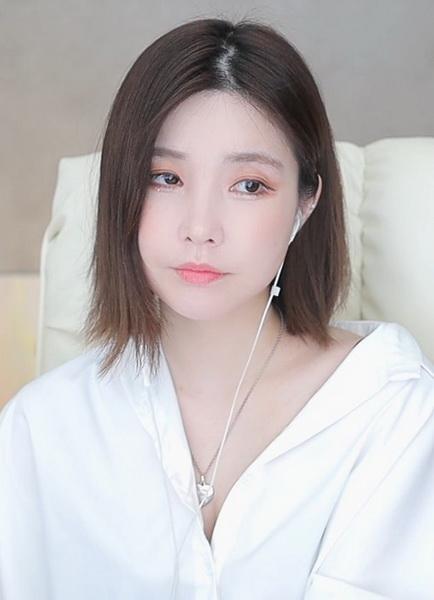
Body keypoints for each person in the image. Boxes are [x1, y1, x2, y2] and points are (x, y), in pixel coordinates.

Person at [1, 16, 433, 600]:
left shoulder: (392, 409)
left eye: (249, 185)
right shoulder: (41, 429)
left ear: (305, 203)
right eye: (165, 177)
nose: (200, 227)